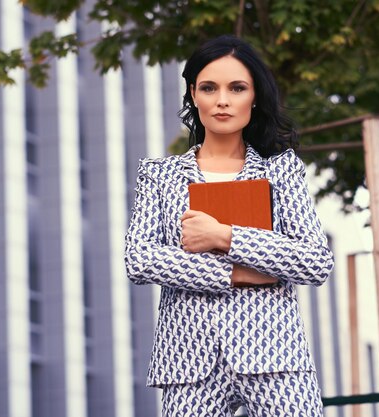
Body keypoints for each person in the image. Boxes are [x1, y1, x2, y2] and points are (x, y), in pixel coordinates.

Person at [125, 35, 334, 417]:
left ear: (254, 97)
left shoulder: (281, 170)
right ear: (193, 94)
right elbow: (139, 259)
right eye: (209, 88)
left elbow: (316, 261)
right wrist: (235, 273)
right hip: (188, 361)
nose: (222, 100)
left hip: (275, 354)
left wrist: (223, 236)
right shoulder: (158, 174)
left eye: (236, 88)